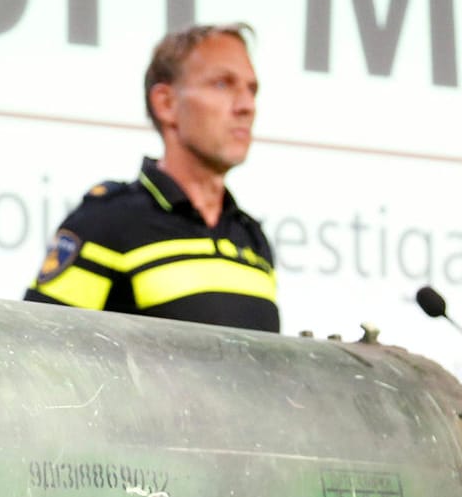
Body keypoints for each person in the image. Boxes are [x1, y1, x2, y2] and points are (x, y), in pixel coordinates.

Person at [24, 23, 279, 332]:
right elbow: (35, 356)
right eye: (223, 84)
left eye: (252, 89)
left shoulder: (251, 240)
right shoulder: (106, 222)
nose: (246, 106)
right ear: (166, 103)